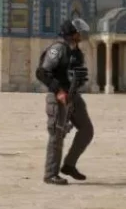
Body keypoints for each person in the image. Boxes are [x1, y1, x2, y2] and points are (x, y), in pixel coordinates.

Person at [35, 18, 94, 185]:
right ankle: (50, 174)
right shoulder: (58, 49)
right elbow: (42, 72)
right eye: (79, 33)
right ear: (72, 33)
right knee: (57, 134)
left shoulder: (75, 51)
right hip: (58, 96)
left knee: (87, 130)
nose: (81, 35)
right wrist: (59, 91)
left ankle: (69, 165)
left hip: (73, 96)